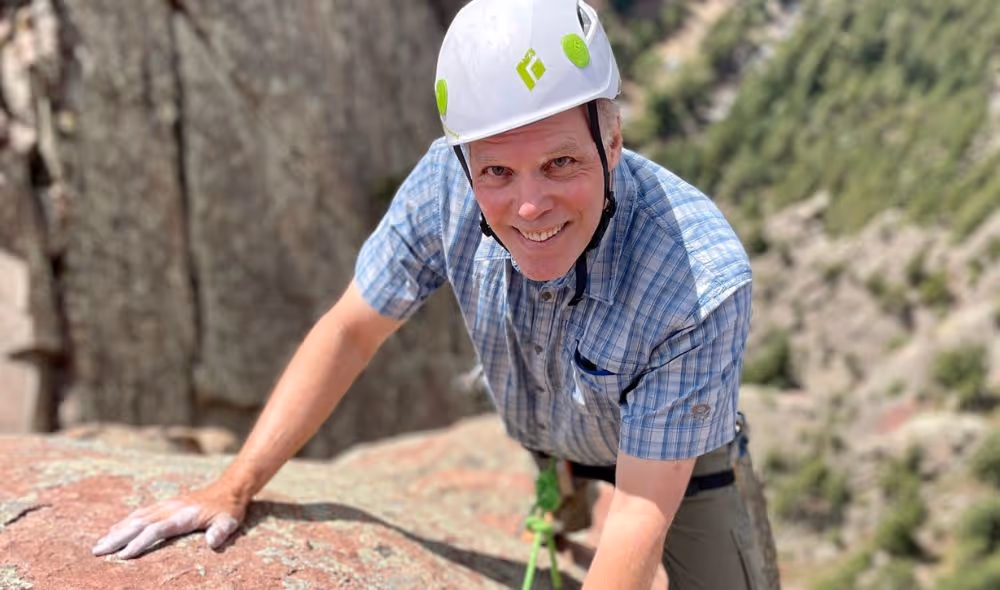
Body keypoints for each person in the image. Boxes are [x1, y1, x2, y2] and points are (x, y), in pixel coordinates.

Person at [93, 0, 766, 587]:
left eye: (561, 162)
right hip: (551, 427)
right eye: (497, 171)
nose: (530, 205)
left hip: (677, 459)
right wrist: (232, 485)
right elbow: (351, 330)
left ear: (613, 142)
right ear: (464, 163)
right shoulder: (444, 184)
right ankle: (568, 490)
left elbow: (644, 506)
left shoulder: (698, 281)